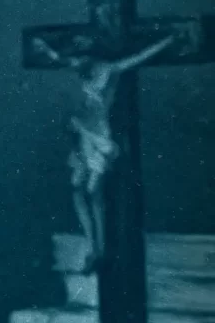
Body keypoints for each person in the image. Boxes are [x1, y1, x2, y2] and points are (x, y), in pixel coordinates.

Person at [32, 33, 173, 273]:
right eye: (74, 59)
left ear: (87, 55)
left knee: (92, 191)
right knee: (79, 191)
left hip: (98, 138)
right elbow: (59, 58)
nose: (74, 63)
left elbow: (140, 57)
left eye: (78, 58)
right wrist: (45, 48)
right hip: (82, 139)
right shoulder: (81, 68)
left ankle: (100, 248)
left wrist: (168, 41)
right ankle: (93, 244)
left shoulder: (109, 69)